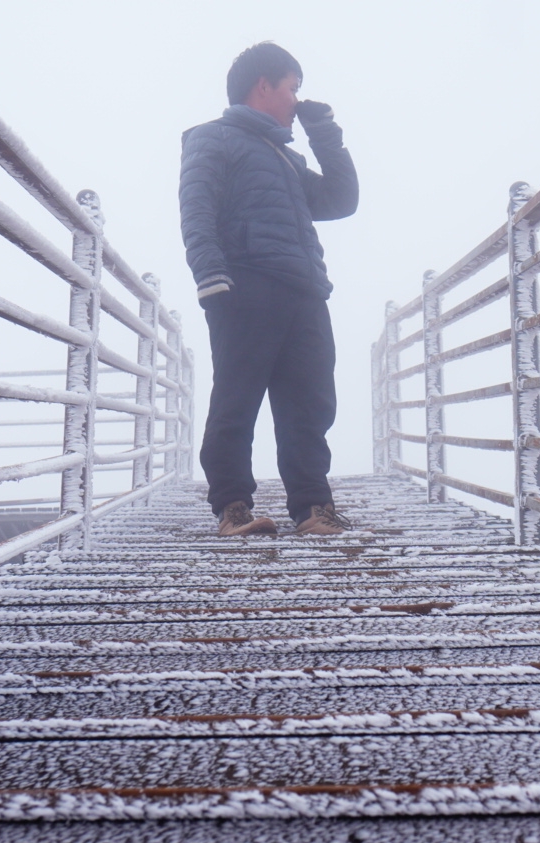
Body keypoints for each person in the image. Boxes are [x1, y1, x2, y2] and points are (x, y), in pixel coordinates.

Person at [179, 42, 360, 537]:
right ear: (264, 86)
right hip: (244, 286)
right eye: (292, 89)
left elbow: (343, 200)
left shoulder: (286, 159)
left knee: (310, 404)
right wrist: (212, 280)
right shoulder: (213, 139)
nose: (296, 101)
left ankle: (312, 510)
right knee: (237, 400)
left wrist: (323, 133)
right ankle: (233, 507)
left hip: (303, 289)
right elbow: (196, 212)